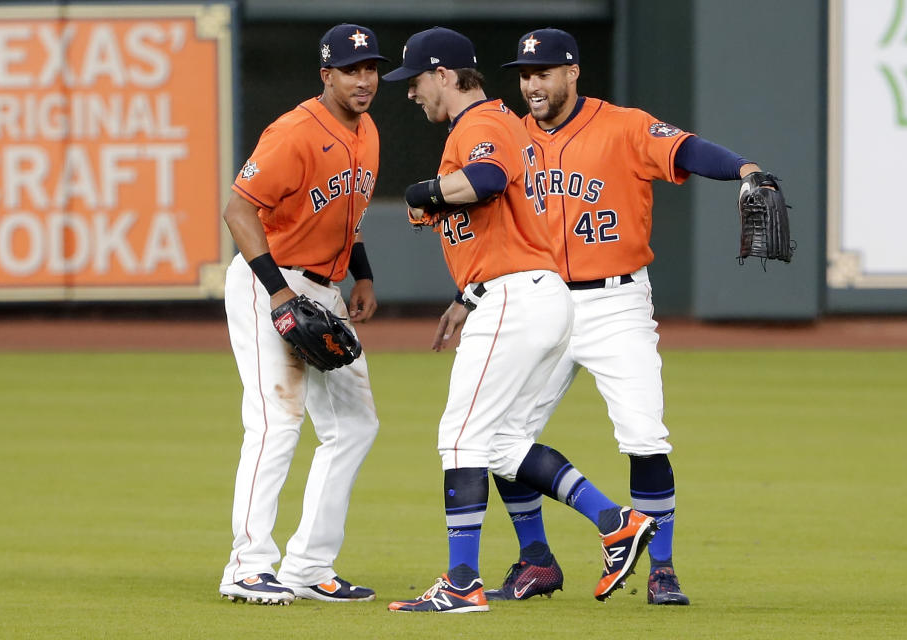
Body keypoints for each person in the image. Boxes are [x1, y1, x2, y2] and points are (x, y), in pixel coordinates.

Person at [442, 28, 782, 606]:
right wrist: (472, 293)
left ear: (572, 72)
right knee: (501, 434)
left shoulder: (622, 124)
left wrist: (745, 169)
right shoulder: (507, 136)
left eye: (544, 72)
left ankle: (662, 570)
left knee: (645, 437)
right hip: (538, 299)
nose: (532, 84)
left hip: (615, 302)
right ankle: (537, 560)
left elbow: (687, 150)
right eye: (525, 74)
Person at [380, 27, 657, 614]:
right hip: (530, 293)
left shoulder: (480, 123)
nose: (411, 93)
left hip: (515, 295)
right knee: (504, 442)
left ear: (447, 76)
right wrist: (439, 208)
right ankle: (616, 521)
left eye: (417, 80)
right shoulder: (492, 125)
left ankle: (461, 584)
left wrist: (426, 191)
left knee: (460, 438)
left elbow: (485, 180)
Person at [217, 23, 387, 605]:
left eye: (370, 69)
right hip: (270, 281)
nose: (364, 79)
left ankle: (308, 566)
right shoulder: (293, 132)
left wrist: (361, 273)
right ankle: (246, 564)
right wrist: (277, 293)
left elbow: (347, 214)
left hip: (326, 285)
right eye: (351, 69)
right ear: (326, 75)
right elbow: (237, 209)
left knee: (356, 424)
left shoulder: (368, 133)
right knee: (276, 420)